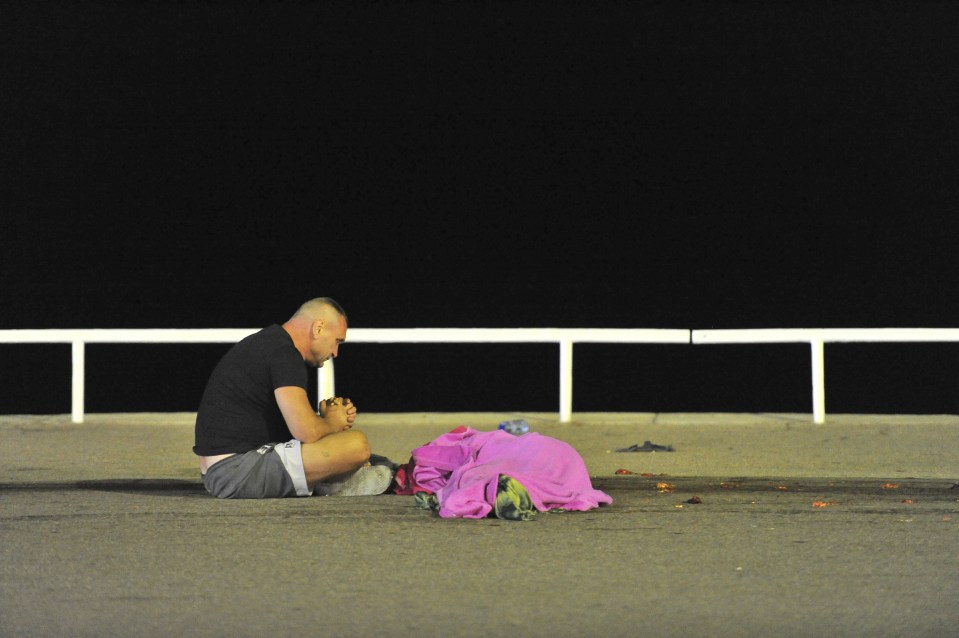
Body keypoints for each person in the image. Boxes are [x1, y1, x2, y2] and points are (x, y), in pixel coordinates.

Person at [193, 297, 393, 499]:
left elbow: (295, 429)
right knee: (357, 446)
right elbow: (305, 431)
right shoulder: (285, 355)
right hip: (234, 472)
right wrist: (332, 422)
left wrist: (325, 421)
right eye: (337, 341)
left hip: (224, 470)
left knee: (369, 456)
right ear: (318, 328)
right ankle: (331, 483)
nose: (335, 352)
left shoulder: (271, 343)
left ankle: (332, 479)